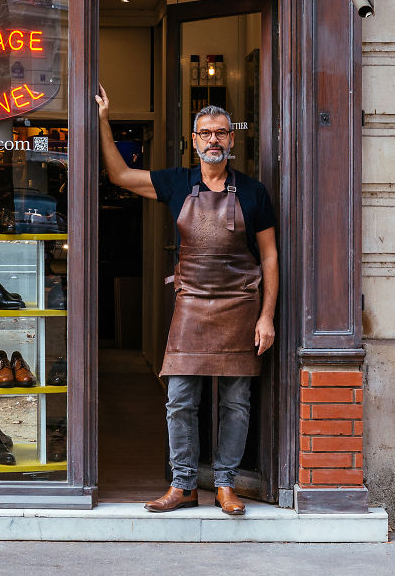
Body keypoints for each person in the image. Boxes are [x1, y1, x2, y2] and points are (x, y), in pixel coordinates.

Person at [95, 84, 278, 515]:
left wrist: (266, 316)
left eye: (221, 132)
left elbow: (269, 256)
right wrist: (103, 121)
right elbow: (119, 175)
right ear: (194, 140)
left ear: (231, 139)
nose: (214, 139)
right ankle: (184, 485)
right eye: (206, 133)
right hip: (191, 304)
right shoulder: (177, 182)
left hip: (240, 306)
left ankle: (226, 484)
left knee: (236, 403)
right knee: (179, 400)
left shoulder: (253, 192)